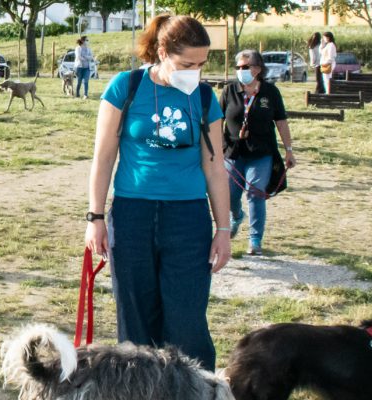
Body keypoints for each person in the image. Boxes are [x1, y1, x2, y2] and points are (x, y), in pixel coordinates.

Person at [84, 14, 229, 371]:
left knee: (187, 321)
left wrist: (223, 230)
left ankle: (194, 392)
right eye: (187, 64)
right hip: (132, 215)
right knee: (135, 320)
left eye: (201, 64)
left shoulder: (206, 97)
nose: (194, 72)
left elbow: (215, 167)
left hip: (188, 219)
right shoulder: (125, 87)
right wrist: (95, 217)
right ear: (162, 52)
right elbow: (103, 158)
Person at [222, 50, 296, 256]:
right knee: (229, 195)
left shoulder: (270, 92)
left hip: (261, 152)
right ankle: (236, 216)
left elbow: (281, 121)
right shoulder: (229, 91)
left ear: (258, 69)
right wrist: (214, 149)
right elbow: (217, 120)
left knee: (255, 192)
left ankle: (255, 240)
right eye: (238, 67)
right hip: (233, 152)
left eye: (245, 67)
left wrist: (289, 150)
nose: (240, 71)